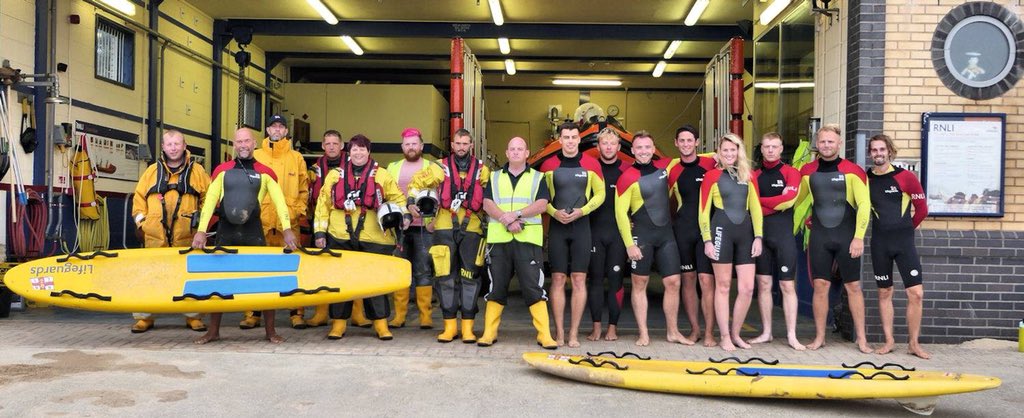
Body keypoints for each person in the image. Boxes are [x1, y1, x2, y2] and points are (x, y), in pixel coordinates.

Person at [191, 128, 298, 344]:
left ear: (254, 143)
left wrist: (287, 228)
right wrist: (201, 230)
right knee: (218, 281)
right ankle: (213, 331)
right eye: (239, 141)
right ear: (234, 144)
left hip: (253, 232)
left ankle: (270, 331)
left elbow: (279, 201)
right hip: (225, 231)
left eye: (247, 141)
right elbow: (210, 200)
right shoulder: (222, 170)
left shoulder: (265, 172)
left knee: (265, 281)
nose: (243, 145)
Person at [313, 134, 406, 341]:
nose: (358, 152)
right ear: (349, 151)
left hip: (374, 238)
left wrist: (400, 216)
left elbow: (399, 199)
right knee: (340, 281)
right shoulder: (335, 176)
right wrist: (320, 233)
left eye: (362, 149)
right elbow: (323, 205)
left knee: (376, 283)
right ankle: (338, 325)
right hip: (339, 236)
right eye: (354, 149)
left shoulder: (382, 175)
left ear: (369, 151)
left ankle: (381, 325)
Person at [794, 124, 872, 353]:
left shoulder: (853, 170)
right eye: (822, 141)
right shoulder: (807, 171)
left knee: (853, 286)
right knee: (820, 285)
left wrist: (859, 237)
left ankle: (862, 339)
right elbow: (797, 200)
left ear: (839, 144)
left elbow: (864, 205)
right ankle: (819, 337)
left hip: (847, 236)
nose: (826, 145)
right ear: (817, 144)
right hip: (820, 236)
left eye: (831, 141)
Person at [407, 129, 490, 343]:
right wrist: (410, 203)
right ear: (452, 145)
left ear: (471, 145)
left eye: (465, 143)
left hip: (472, 230)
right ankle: (449, 326)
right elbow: (416, 184)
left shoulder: (483, 171)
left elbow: (491, 199)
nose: (461, 147)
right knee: (445, 278)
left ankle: (468, 327)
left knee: (470, 278)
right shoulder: (438, 168)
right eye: (458, 143)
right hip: (443, 228)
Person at [476, 136, 558, 349]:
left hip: (527, 240)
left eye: (519, 149)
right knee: (496, 287)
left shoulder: (538, 177)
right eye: (512, 149)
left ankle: (544, 335)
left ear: (526, 152)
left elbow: (541, 204)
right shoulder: (493, 177)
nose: (515, 152)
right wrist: (505, 218)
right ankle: (489, 333)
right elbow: (487, 203)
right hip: (499, 240)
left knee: (534, 288)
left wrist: (515, 215)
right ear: (506, 152)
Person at [130, 129, 210, 333]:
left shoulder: (198, 172)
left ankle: (193, 317)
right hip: (155, 238)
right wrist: (143, 224)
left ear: (184, 146)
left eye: (177, 144)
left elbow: (209, 199)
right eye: (169, 144)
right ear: (163, 147)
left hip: (187, 238)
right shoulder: (150, 172)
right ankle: (144, 317)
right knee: (150, 278)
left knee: (189, 277)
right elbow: (138, 201)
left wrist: (200, 225)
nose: (173, 148)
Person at [615, 131, 690, 347]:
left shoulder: (665, 167)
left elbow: (694, 156)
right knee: (640, 283)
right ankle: (643, 333)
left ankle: (673, 331)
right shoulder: (627, 178)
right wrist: (629, 244)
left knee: (673, 282)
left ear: (653, 148)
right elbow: (621, 214)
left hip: (666, 236)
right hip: (642, 236)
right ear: (632, 150)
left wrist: (723, 152)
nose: (644, 151)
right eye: (639, 148)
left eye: (648, 147)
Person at [538, 122, 605, 347]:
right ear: (559, 140)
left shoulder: (591, 164)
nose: (569, 141)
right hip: (557, 227)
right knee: (557, 279)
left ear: (579, 139)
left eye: (573, 137)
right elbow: (541, 197)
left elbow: (601, 194)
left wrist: (582, 211)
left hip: (581, 227)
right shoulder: (549, 165)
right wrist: (553, 212)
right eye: (565, 137)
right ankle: (558, 332)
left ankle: (574, 333)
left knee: (578, 279)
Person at [240, 114, 310, 330]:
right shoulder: (255, 155)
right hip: (259, 222)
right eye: (273, 126)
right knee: (256, 269)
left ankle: (296, 313)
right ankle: (253, 313)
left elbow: (303, 189)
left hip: (288, 225)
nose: (277, 130)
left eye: (281, 126)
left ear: (286, 131)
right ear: (267, 130)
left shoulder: (296, 157)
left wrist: (296, 212)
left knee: (291, 268)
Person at [867, 134, 930, 359]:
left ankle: (913, 343)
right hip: (880, 243)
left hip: (904, 243)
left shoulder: (906, 177)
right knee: (884, 292)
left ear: (890, 151)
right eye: (874, 150)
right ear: (870, 153)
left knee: (916, 293)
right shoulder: (866, 179)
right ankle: (889, 341)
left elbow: (922, 209)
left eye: (882, 149)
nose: (878, 154)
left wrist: (906, 229)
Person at [699, 134, 763, 351]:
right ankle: (724, 335)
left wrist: (758, 237)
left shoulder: (748, 176)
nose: (728, 154)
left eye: (732, 150)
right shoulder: (711, 176)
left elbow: (755, 209)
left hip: (745, 233)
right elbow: (703, 211)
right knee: (723, 286)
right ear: (718, 152)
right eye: (724, 150)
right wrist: (707, 240)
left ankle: (736, 333)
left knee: (747, 288)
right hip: (720, 231)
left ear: (739, 152)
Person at [750, 132, 806, 350]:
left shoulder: (791, 173)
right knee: (763, 284)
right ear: (762, 149)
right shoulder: (754, 174)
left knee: (787, 285)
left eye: (775, 146)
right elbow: (749, 204)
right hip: (761, 237)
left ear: (782, 148)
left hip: (783, 237)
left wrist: (760, 204)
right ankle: (766, 332)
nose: (771, 150)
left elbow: (789, 200)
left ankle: (792, 335)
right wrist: (774, 201)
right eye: (767, 146)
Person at [669, 125, 717, 346]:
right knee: (688, 280)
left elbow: (732, 157)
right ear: (676, 143)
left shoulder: (711, 163)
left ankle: (709, 332)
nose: (686, 144)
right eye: (682, 141)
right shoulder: (672, 170)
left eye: (690, 140)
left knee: (707, 281)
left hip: (707, 231)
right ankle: (695, 330)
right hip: (684, 229)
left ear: (697, 143)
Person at [387, 128, 436, 329]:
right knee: (400, 271)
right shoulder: (392, 167)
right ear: (402, 147)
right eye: (407, 144)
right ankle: (399, 315)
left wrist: (434, 220)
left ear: (422, 146)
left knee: (423, 270)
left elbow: (440, 193)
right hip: (400, 227)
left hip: (424, 227)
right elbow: (387, 196)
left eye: (415, 143)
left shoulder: (432, 166)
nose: (411, 147)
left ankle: (425, 316)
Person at [586, 128, 631, 342]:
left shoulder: (627, 169)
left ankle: (612, 327)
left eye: (613, 144)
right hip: (594, 232)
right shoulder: (591, 168)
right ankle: (596, 327)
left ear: (619, 147)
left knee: (615, 281)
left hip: (618, 235)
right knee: (595, 280)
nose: (609, 147)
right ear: (598, 146)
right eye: (604, 143)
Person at [302, 130, 346, 328]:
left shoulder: (354, 165)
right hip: (319, 224)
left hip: (344, 226)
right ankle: (321, 313)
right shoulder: (313, 169)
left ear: (342, 145)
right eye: (327, 143)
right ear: (322, 146)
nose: (331, 147)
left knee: (346, 270)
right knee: (321, 269)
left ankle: (355, 314)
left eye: (335, 143)